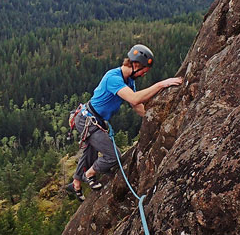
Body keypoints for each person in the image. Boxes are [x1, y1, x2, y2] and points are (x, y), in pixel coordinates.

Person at [66, 44, 183, 202]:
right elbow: (135, 99)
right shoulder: (113, 78)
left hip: (93, 119)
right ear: (135, 65)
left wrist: (154, 119)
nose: (143, 75)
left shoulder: (128, 81)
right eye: (143, 71)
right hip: (88, 120)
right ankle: (89, 175)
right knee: (113, 156)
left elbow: (136, 106)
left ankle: (76, 184)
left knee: (90, 152)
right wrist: (162, 84)